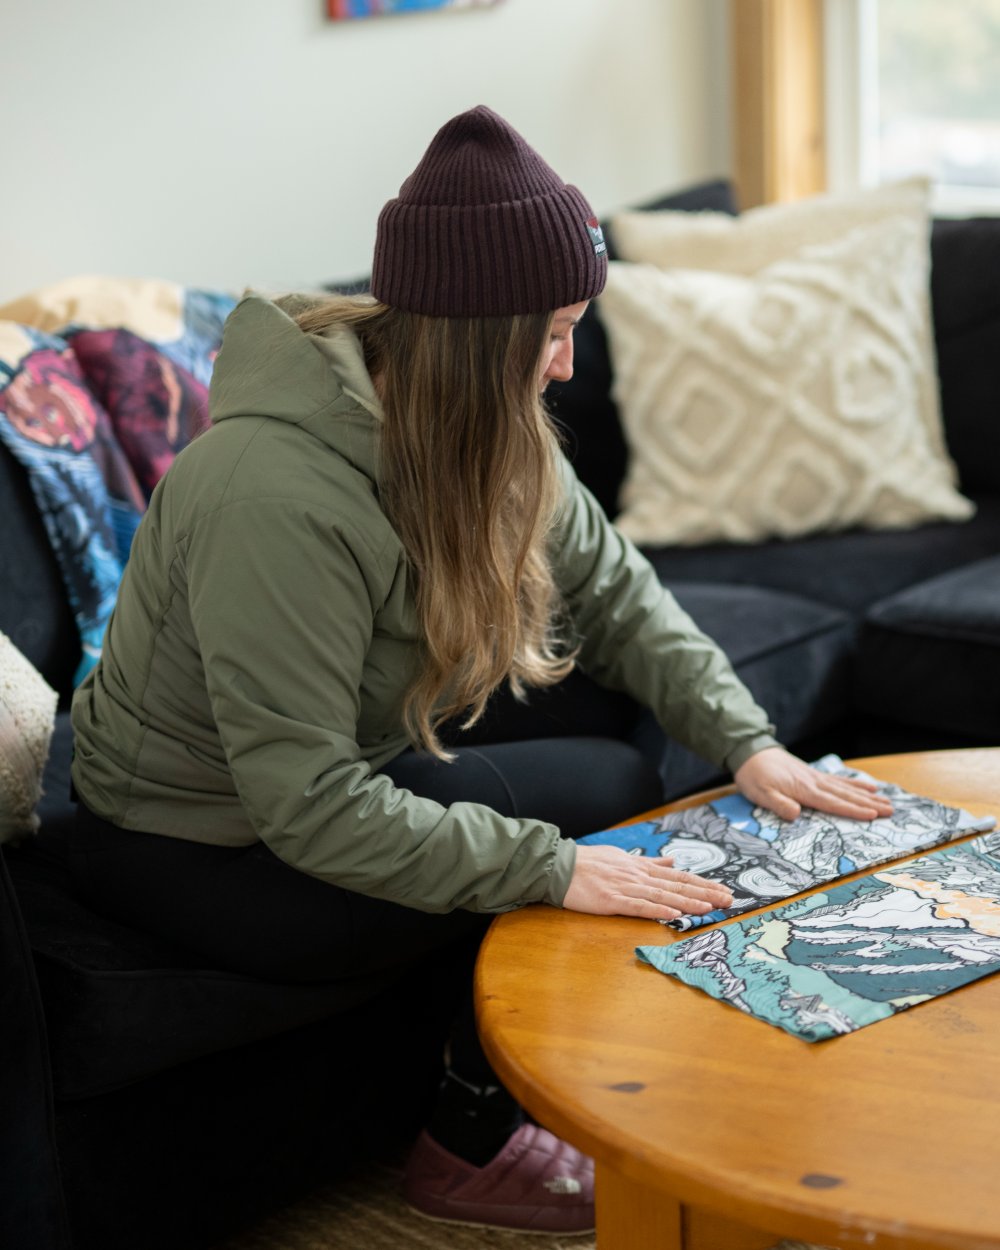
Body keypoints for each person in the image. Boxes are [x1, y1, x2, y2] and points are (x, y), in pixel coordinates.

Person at [68, 105, 892, 1235]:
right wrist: (550, 866)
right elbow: (302, 801)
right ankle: (467, 1139)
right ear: (475, 336)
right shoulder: (272, 493)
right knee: (604, 804)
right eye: (552, 334)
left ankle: (597, 1057)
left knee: (634, 720)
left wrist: (749, 742)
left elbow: (619, 594)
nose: (567, 365)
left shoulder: (489, 427)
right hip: (198, 841)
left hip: (349, 759)